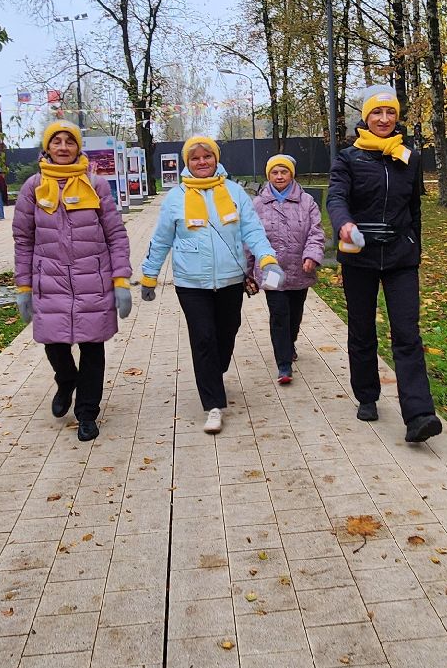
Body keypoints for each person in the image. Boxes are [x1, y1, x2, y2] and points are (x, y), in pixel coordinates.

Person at [139, 135, 280, 434]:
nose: (202, 162)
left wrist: (266, 256)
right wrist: (149, 275)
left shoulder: (234, 192)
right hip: (191, 283)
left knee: (227, 333)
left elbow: (252, 229)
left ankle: (214, 373)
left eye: (207, 157)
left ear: (216, 159)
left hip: (230, 279)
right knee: (203, 337)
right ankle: (214, 404)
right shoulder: (176, 197)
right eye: (195, 158)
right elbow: (162, 239)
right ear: (186, 163)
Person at [328, 85, 442, 443]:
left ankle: (419, 414)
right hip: (359, 257)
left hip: (400, 258)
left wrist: (415, 249)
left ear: (397, 117)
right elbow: (335, 197)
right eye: (376, 113)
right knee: (362, 331)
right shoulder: (348, 158)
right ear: (365, 117)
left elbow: (415, 209)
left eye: (390, 112)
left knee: (407, 334)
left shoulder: (409, 157)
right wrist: (344, 223)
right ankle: (367, 395)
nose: (383, 119)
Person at [15, 121, 132, 443]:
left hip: (92, 281)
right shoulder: (33, 187)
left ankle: (87, 414)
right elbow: (23, 240)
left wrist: (120, 279)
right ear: (48, 147)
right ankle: (66, 380)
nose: (63, 147)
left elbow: (116, 235)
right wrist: (23, 287)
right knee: (55, 345)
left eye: (69, 141)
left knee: (93, 349)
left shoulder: (96, 185)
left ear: (78, 147)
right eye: (57, 141)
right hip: (49, 281)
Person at [248, 155, 325, 386]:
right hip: (271, 270)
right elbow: (249, 237)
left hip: (300, 268)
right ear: (268, 176)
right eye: (275, 172)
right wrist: (247, 270)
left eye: (284, 172)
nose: (279, 176)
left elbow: (316, 232)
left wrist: (312, 255)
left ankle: (289, 343)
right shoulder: (258, 204)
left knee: (295, 313)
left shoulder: (307, 202)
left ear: (292, 174)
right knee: (279, 314)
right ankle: (283, 364)